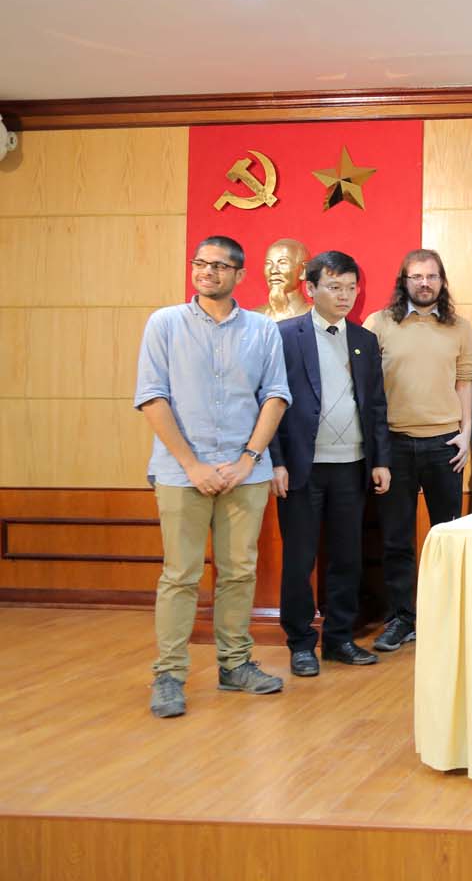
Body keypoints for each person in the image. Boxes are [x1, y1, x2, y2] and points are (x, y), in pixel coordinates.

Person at [135, 235, 290, 718]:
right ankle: (169, 675)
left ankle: (235, 664)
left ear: (239, 275)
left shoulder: (263, 330)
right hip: (182, 472)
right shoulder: (165, 323)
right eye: (200, 263)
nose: (207, 271)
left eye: (219, 266)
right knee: (180, 575)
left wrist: (248, 458)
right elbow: (152, 397)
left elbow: (276, 396)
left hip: (246, 472)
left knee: (239, 571)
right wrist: (192, 465)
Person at [267, 250, 392, 677]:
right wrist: (276, 461)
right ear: (311, 288)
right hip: (301, 467)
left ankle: (339, 639)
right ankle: (301, 643)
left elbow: (375, 404)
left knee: (347, 557)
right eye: (335, 286)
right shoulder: (285, 336)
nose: (345, 295)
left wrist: (380, 459)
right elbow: (269, 402)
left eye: (351, 287)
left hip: (351, 465)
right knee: (300, 559)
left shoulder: (363, 340)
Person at [363, 249, 472, 653]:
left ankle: (445, 616)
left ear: (442, 281)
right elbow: (366, 387)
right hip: (393, 445)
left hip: (445, 444)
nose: (424, 283)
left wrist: (466, 433)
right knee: (397, 539)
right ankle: (402, 619)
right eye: (416, 276)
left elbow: (465, 380)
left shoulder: (459, 327)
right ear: (404, 281)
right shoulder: (379, 323)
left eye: (432, 276)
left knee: (447, 535)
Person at [253, 237, 312, 322]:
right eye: (268, 263)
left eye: (283, 263)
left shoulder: (317, 318)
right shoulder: (253, 319)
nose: (273, 271)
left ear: (303, 270)